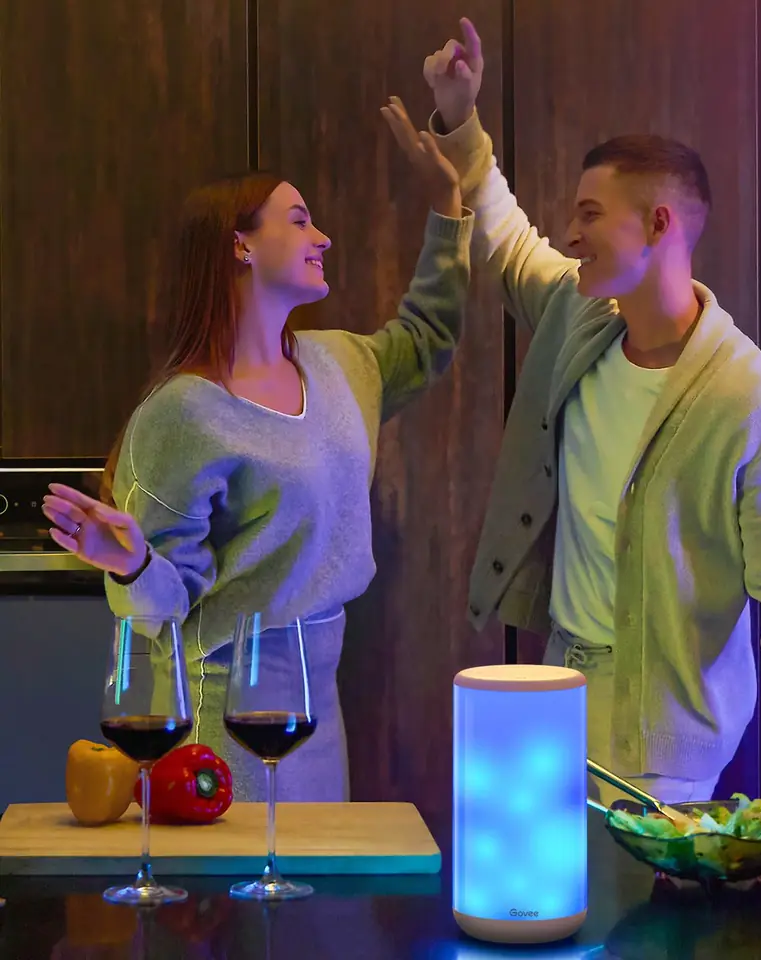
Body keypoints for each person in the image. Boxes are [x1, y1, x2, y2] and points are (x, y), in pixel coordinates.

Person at [419, 18, 761, 809]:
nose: (570, 234)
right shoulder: (581, 318)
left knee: (638, 896)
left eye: (589, 214)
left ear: (658, 224)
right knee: (546, 888)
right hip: (556, 687)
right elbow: (508, 241)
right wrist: (459, 117)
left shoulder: (752, 403)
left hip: (665, 736)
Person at [41, 102, 474, 803]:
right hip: (229, 710)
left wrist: (447, 207)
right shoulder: (183, 412)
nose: (323, 237)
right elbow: (163, 608)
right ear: (240, 245)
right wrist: (131, 564)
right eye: (299, 220)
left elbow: (429, 335)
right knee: (247, 876)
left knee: (314, 876)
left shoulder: (341, 365)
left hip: (320, 699)